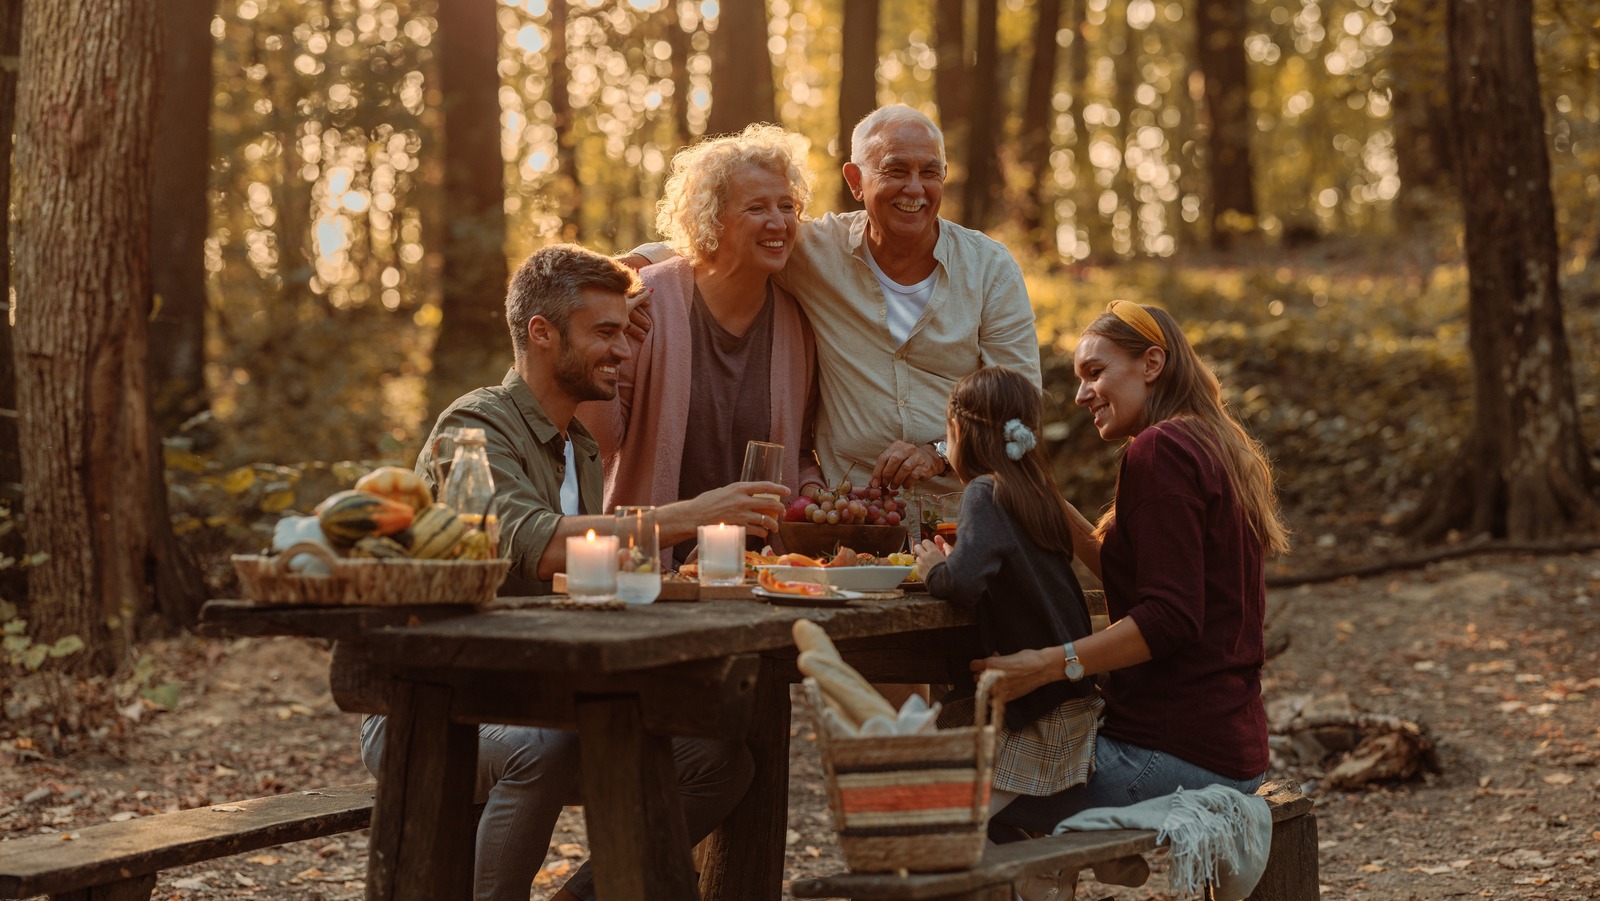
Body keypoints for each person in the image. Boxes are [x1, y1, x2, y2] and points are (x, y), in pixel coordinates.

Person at [364, 244, 779, 901]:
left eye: (626, 331)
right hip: (430, 707)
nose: (623, 349)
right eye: (605, 333)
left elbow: (582, 571)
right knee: (545, 746)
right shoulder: (473, 430)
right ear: (541, 332)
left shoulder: (579, 445)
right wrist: (685, 515)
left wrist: (683, 568)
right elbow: (539, 544)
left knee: (718, 762)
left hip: (534, 698)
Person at [973, 300, 1291, 836]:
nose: (1080, 395)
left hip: (1171, 757)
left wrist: (1048, 664)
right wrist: (1040, 492)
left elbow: (1168, 616)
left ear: (1151, 364)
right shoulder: (1209, 442)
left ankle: (1056, 865)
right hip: (1229, 749)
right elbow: (1136, 573)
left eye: (1096, 372)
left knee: (962, 805)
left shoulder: (1159, 449)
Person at [629, 105, 1039, 497]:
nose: (915, 188)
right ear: (856, 180)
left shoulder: (990, 270)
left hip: (966, 514)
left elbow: (1022, 411)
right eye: (896, 170)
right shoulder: (814, 252)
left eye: (930, 172)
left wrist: (939, 454)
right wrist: (621, 272)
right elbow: (723, 241)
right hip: (851, 514)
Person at [579, 124, 824, 563]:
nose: (778, 222)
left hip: (759, 575)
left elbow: (802, 450)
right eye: (756, 207)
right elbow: (596, 442)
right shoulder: (644, 304)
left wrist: (812, 490)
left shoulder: (797, 323)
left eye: (787, 206)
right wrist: (599, 341)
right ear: (712, 219)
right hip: (649, 568)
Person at [910, 366, 1103, 815]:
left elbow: (963, 582)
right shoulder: (1036, 493)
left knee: (952, 820)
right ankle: (1043, 871)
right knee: (943, 729)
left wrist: (934, 568)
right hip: (1070, 698)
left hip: (1036, 713)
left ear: (957, 430)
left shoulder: (983, 490)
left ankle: (1087, 833)